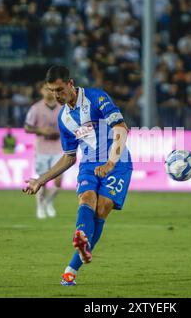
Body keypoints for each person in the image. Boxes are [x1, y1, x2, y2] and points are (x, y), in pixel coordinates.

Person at [22, 66, 133, 286]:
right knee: (86, 199)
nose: (56, 95)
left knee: (102, 207)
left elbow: (121, 128)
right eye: (52, 91)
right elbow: (69, 157)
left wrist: (111, 162)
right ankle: (81, 239)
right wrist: (40, 180)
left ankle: (70, 269)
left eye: (60, 89)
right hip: (89, 165)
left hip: (118, 163)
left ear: (70, 84)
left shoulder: (96, 97)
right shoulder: (64, 118)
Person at [24, 82, 63, 219]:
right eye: (45, 89)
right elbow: (27, 127)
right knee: (42, 181)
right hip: (42, 149)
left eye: (50, 89)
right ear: (40, 91)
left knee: (59, 180)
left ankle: (49, 202)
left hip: (58, 147)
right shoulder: (36, 108)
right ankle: (40, 206)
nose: (48, 91)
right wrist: (41, 130)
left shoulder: (62, 107)